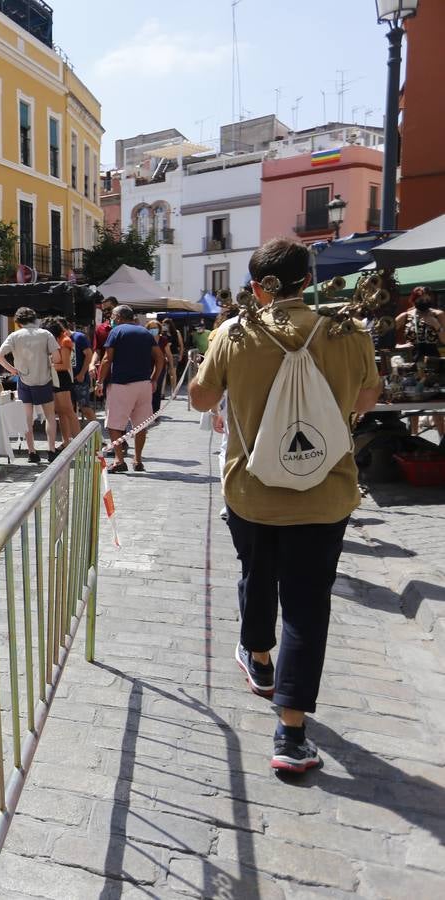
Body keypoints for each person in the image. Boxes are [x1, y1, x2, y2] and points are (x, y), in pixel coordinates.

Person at [190, 237, 380, 774]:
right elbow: (368, 398)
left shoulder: (235, 332)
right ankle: (291, 734)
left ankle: (259, 658)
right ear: (309, 280)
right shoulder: (349, 332)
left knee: (256, 570)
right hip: (325, 493)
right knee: (306, 604)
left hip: (251, 490)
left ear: (257, 286)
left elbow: (201, 399)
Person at [100, 305, 164, 473]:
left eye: (113, 316)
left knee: (114, 424)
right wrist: (154, 379)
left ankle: (119, 460)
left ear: (119, 317)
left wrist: (99, 382)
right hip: (144, 384)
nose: (111, 319)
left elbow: (107, 359)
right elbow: (160, 358)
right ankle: (138, 459)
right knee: (140, 424)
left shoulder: (116, 331)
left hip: (122, 384)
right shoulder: (145, 332)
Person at [0, 307, 59, 463]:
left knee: (27, 418)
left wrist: (13, 370)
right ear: (34, 318)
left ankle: (32, 452)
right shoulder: (45, 334)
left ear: (17, 321)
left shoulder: (14, 336)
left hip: (24, 380)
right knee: (50, 417)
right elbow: (57, 358)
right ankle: (51, 451)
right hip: (44, 379)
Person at [396, 287, 445, 440]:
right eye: (419, 299)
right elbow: (385, 332)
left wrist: (436, 326)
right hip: (413, 360)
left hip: (432, 361)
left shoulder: (438, 314)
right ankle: (414, 437)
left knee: (436, 402)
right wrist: (399, 346)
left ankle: (442, 438)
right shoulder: (406, 315)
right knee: (412, 400)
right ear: (413, 299)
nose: (423, 301)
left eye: (425, 298)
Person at [45, 319, 80, 449]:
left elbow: (65, 365)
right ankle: (66, 441)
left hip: (62, 378)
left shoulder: (65, 341)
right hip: (55, 377)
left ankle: (78, 442)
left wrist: (48, 365)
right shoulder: (57, 340)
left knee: (68, 411)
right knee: (60, 412)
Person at [145, 319, 174, 415]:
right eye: (151, 328)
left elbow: (169, 354)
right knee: (146, 389)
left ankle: (155, 412)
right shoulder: (145, 338)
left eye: (155, 328)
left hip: (160, 367)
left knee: (157, 388)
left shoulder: (163, 340)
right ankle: (147, 411)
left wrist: (171, 367)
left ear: (159, 329)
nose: (153, 329)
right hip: (147, 366)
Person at [69, 321, 95, 425]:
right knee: (69, 408)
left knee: (85, 408)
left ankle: (97, 434)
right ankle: (73, 436)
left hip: (80, 378)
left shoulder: (79, 337)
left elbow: (89, 354)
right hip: (67, 378)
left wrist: (82, 373)